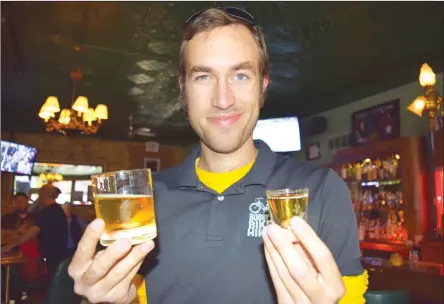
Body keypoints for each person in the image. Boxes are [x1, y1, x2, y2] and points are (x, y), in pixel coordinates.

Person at [68, 7, 368, 304]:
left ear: (262, 86)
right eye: (203, 77)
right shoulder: (144, 202)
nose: (223, 100)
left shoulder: (322, 190)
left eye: (240, 75)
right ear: (182, 88)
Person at [2, 184, 68, 278]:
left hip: (50, 257)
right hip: (55, 255)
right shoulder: (57, 210)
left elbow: (32, 232)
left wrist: (11, 245)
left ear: (43, 196)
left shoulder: (47, 213)